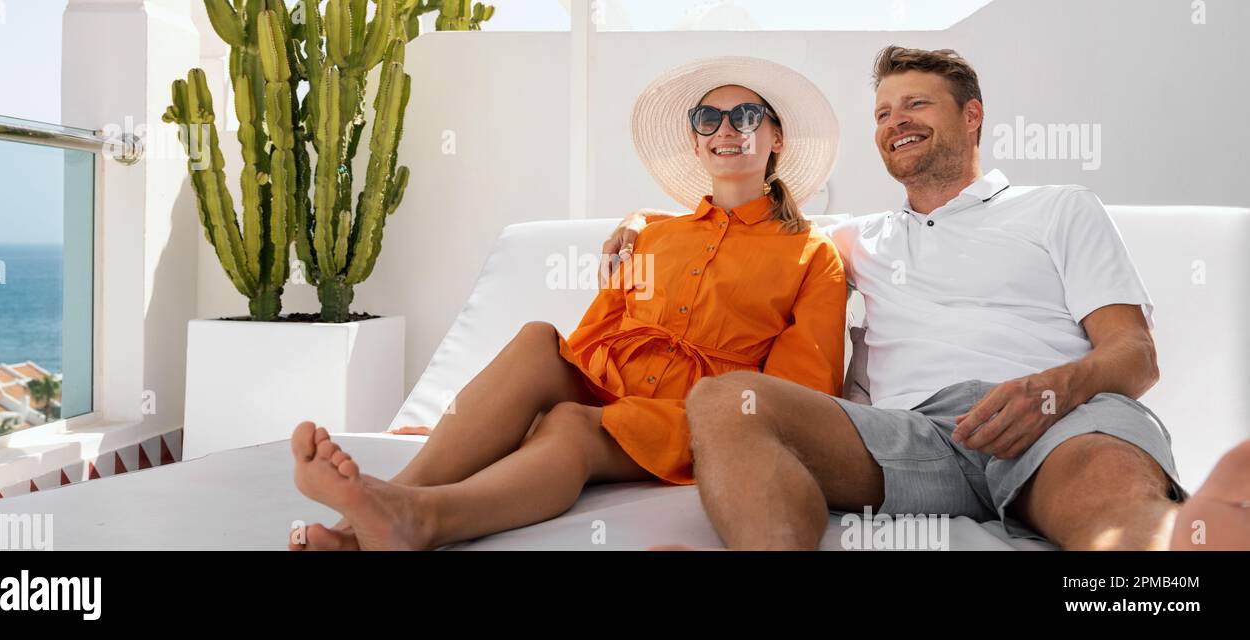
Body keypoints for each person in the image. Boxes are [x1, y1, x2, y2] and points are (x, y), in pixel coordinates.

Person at [612, 45, 1247, 551]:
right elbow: (744, 229)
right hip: (906, 437)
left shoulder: (1059, 208)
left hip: (1052, 420)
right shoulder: (853, 240)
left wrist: (1052, 390)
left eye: (917, 104)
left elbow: (1134, 354)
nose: (896, 123)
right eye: (884, 114)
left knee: (1111, 508)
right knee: (726, 400)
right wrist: (646, 219)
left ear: (972, 116)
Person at [287, 56, 847, 550]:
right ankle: (365, 516)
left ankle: (420, 521)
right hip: (612, 379)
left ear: (776, 138)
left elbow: (803, 397)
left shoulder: (811, 254)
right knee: (538, 339)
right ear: (697, 140)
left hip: (689, 415)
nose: (727, 129)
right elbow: (596, 333)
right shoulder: (653, 235)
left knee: (573, 425)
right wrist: (510, 415)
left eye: (747, 116)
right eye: (709, 119)